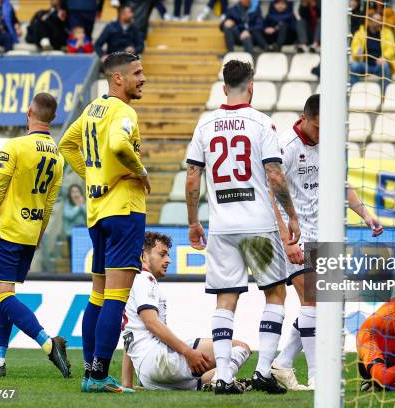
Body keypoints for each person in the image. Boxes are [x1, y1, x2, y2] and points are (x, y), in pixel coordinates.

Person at [185, 59, 300, 394]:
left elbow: (193, 178)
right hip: (259, 227)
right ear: (252, 87)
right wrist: (291, 214)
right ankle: (264, 371)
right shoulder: (262, 123)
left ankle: (222, 375)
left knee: (225, 300)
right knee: (275, 293)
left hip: (222, 227)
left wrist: (194, 221)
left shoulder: (205, 126)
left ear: (224, 88)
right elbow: (275, 176)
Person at [270, 94, 383, 391]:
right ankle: (319, 376)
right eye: (318, 128)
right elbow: (270, 194)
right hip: (297, 236)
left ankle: (282, 363)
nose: (322, 134)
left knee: (324, 305)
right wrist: (286, 238)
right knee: (312, 301)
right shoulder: (286, 147)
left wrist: (366, 214)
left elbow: (342, 185)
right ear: (304, 119)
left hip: (324, 235)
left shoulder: (329, 143)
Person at [0, 93, 70, 378]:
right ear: (53, 117)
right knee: (4, 293)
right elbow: (48, 206)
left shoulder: (15, 146)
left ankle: (47, 343)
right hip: (30, 234)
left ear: (29, 112)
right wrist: (38, 236)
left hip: (6, 230)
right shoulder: (57, 157)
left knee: (0, 297)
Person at [59, 51, 150, 393]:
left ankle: (89, 370)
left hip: (97, 213)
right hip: (125, 211)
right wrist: (140, 171)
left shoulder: (92, 109)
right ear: (118, 78)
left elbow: (67, 145)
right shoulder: (124, 111)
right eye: (137, 73)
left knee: (98, 295)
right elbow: (118, 144)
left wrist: (90, 176)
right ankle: (98, 375)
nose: (143, 78)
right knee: (116, 296)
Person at [121, 232, 252, 390]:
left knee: (204, 377)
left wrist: (127, 384)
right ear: (143, 255)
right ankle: (223, 380)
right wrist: (188, 352)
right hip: (158, 361)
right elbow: (151, 323)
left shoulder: (131, 281)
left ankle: (214, 381)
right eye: (162, 255)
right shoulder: (144, 279)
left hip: (147, 376)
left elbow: (129, 337)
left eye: (168, 255)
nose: (168, 260)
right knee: (241, 347)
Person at [349, 10, 395, 88]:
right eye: (377, 20)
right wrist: (358, 53)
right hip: (364, 64)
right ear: (370, 21)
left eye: (380, 20)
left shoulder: (387, 33)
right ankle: (355, 91)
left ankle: (383, 94)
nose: (379, 22)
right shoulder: (360, 33)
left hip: (378, 64)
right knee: (354, 66)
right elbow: (355, 48)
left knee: (385, 66)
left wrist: (384, 57)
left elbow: (392, 49)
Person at [63, 184, 87, 253]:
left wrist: (82, 205)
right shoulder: (67, 203)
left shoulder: (84, 202)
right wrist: (78, 206)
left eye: (77, 191)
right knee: (73, 256)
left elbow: (88, 214)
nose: (75, 194)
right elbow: (69, 215)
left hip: (84, 232)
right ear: (70, 194)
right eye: (73, 192)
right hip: (71, 234)